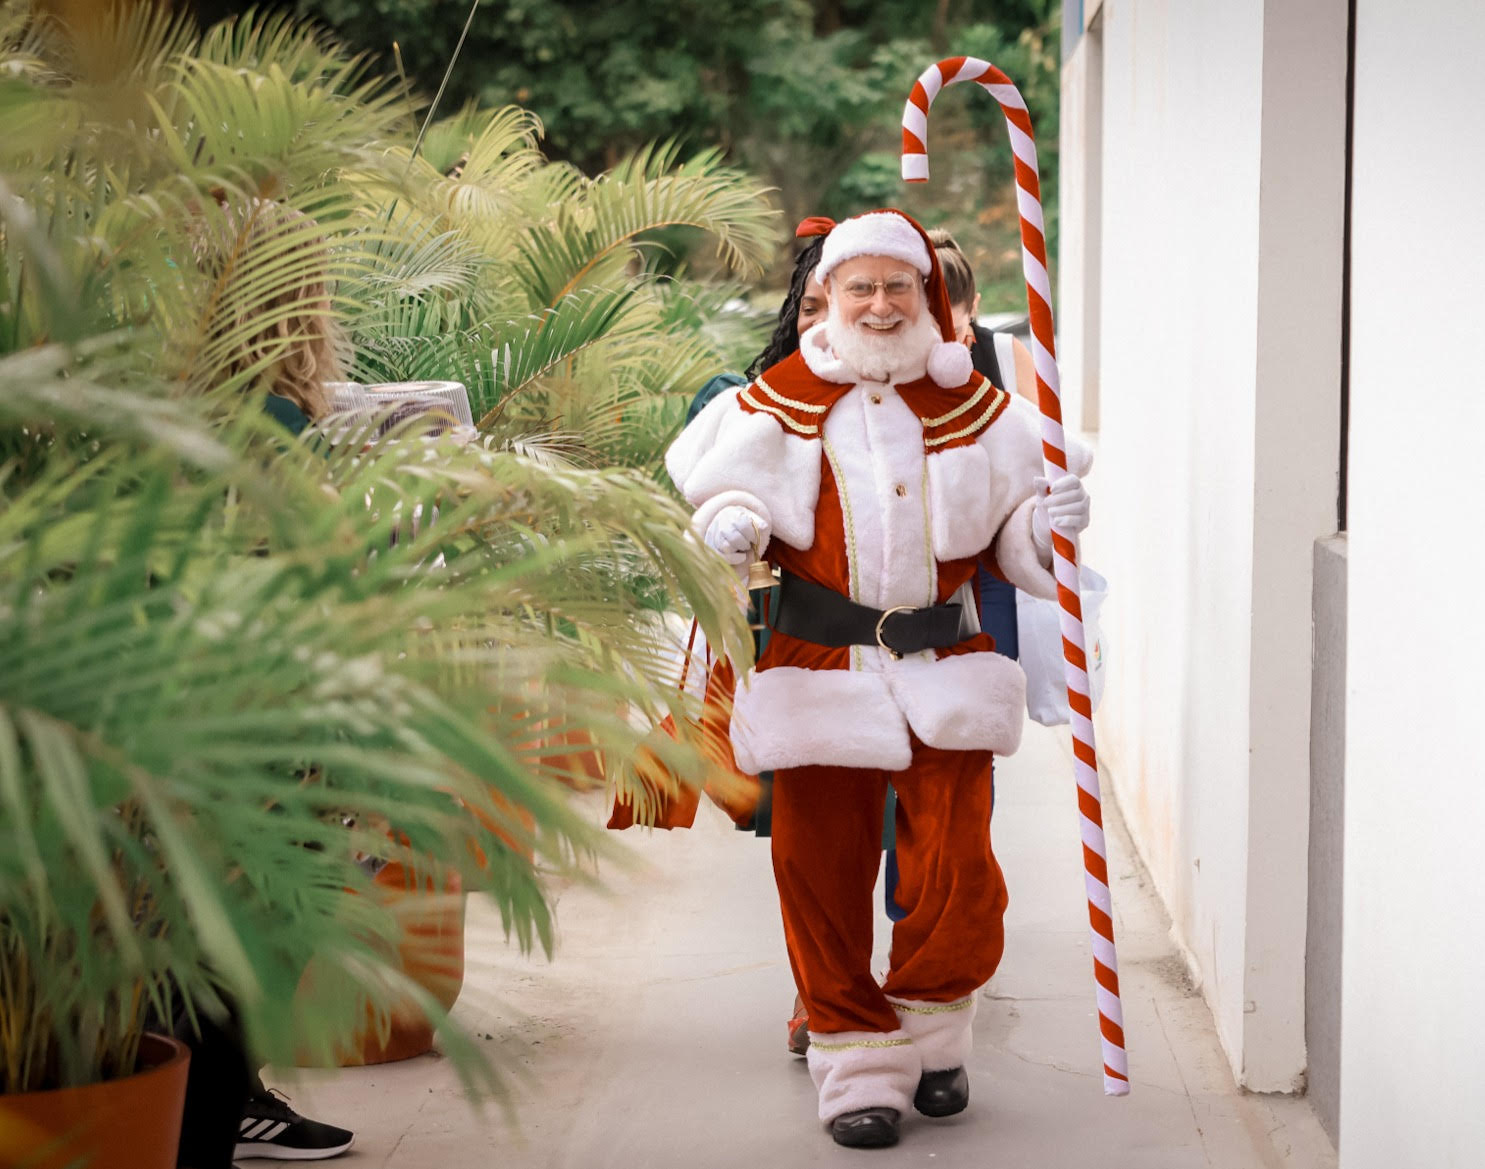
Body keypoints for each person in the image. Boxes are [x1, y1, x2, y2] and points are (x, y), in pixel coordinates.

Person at [666, 209, 1092, 1149]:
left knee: (959, 871)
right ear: (827, 293)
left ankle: (931, 1029)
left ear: (926, 295)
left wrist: (1047, 519)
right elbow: (719, 496)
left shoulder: (974, 407)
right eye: (860, 286)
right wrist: (728, 521)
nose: (880, 303)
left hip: (944, 665)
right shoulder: (772, 402)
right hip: (819, 667)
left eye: (898, 285)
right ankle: (854, 1056)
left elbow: (1014, 540)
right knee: (819, 870)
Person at [176, 198, 356, 1168]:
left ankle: (229, 1092)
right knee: (254, 908)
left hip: (176, 694)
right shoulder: (270, 421)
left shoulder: (170, 401)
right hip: (254, 701)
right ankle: (218, 1101)